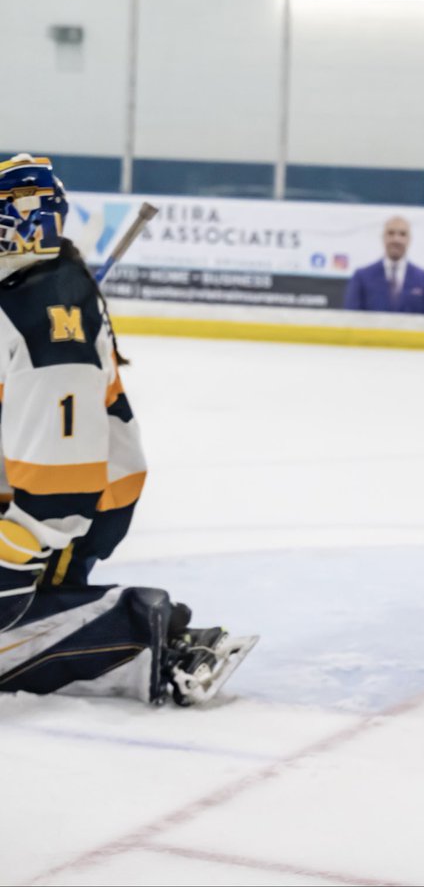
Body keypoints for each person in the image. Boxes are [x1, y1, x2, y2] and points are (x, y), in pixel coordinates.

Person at [0, 154, 255, 706]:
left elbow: (59, 486)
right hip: (26, 484)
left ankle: (148, 634)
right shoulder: (22, 291)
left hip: (62, 506)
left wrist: (13, 556)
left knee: (12, 626)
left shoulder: (45, 314)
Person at [343, 215, 424, 314]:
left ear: (409, 239)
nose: (396, 239)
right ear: (383, 237)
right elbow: (351, 318)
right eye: (391, 233)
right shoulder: (362, 277)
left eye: (402, 234)